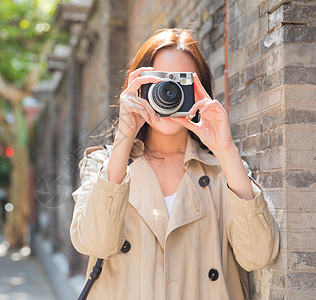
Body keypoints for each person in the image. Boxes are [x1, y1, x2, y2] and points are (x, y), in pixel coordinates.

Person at [70, 28, 279, 299]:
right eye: (159, 82)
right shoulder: (103, 164)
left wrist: (225, 149)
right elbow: (94, 242)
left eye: (181, 84)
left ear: (201, 91)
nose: (169, 93)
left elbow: (258, 256)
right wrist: (125, 136)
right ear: (138, 88)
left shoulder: (222, 170)